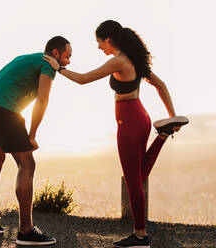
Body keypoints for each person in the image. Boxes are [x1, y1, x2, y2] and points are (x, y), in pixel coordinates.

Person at [43, 20, 188, 248]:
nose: (99, 47)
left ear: (108, 39)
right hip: (141, 117)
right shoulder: (134, 59)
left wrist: (58, 68)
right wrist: (172, 115)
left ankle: (140, 236)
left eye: (99, 42)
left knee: (133, 183)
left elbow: (83, 79)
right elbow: (161, 85)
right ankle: (162, 134)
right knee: (138, 177)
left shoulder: (118, 61)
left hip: (129, 122)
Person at [0, 36, 72, 246]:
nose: (68, 62)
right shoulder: (48, 65)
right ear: (55, 53)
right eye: (67, 56)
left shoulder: (27, 58)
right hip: (5, 109)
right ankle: (26, 231)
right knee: (27, 164)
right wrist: (32, 135)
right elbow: (42, 100)